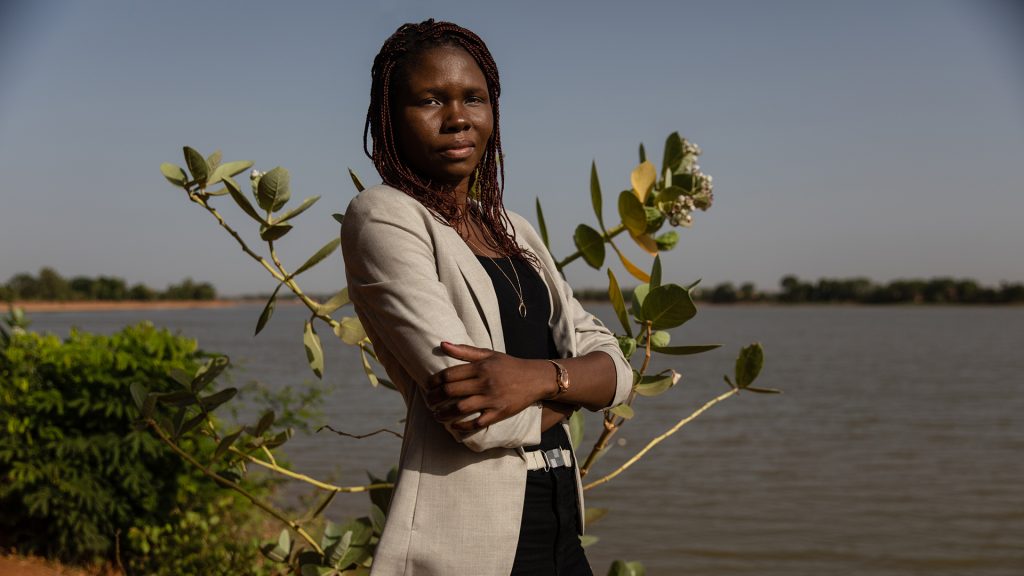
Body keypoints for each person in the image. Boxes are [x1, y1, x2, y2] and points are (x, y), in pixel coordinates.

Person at [340, 19, 632, 576]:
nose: (457, 118)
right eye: (430, 100)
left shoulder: (514, 230)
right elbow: (482, 419)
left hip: (563, 532)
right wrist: (582, 382)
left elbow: (618, 369)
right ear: (389, 119)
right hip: (471, 548)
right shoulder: (384, 217)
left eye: (473, 98)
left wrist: (540, 379)